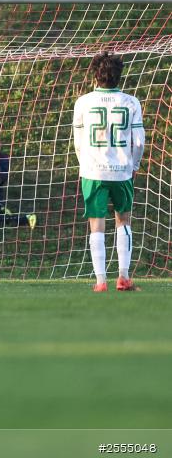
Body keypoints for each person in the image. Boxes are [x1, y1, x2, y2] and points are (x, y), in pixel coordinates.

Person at [72, 53, 144, 293]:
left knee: (96, 224)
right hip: (121, 171)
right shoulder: (131, 102)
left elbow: (79, 141)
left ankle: (101, 281)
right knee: (123, 220)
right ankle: (123, 277)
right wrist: (133, 165)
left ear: (95, 75)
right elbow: (139, 143)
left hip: (93, 170)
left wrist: (84, 165)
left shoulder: (83, 102)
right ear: (119, 76)